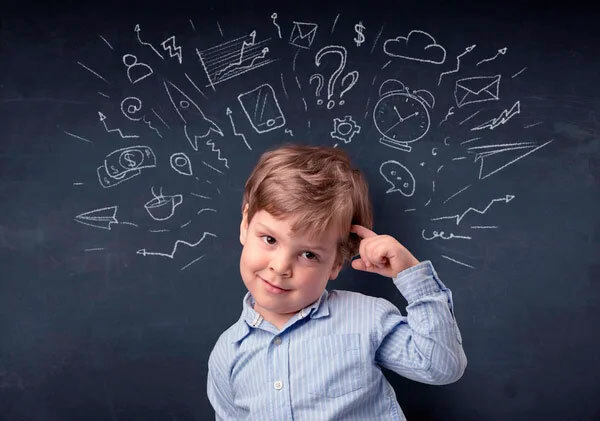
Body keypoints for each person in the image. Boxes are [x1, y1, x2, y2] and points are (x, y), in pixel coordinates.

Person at [207, 144, 467, 420]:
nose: (280, 267)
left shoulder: (364, 318)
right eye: (270, 239)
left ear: (335, 264)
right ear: (245, 225)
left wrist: (410, 273)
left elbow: (443, 367)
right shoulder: (227, 353)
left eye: (308, 254)